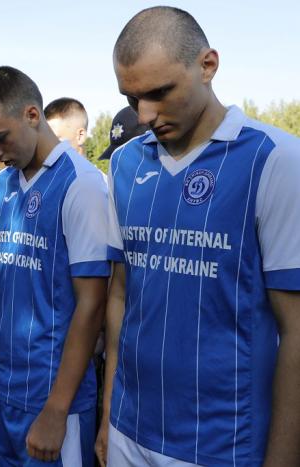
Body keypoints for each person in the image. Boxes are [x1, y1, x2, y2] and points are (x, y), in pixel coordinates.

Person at [98, 6, 300, 467]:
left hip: (222, 445)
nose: (145, 114)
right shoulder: (125, 164)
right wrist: (109, 414)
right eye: (131, 98)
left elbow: (295, 328)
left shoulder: (276, 161)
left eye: (159, 93)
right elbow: (122, 294)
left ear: (207, 65)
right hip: (129, 430)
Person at [0, 66, 109, 467]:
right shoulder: (1, 186)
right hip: (4, 393)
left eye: (0, 137)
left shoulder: (81, 185)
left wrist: (57, 409)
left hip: (54, 403)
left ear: (32, 115)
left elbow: (92, 304)